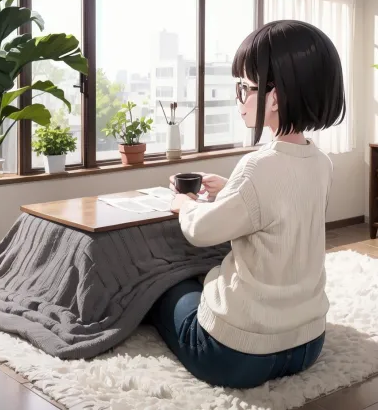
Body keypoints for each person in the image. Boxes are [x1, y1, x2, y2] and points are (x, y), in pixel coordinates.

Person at [145, 20, 346, 389]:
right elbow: (280, 210)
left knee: (167, 288)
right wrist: (228, 190)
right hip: (308, 343)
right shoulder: (321, 163)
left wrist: (183, 202)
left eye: (243, 88)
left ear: (274, 97)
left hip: (236, 356)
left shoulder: (257, 166)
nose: (238, 98)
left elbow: (201, 231)